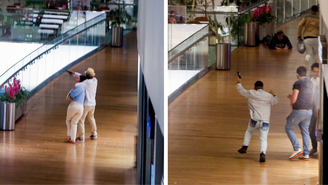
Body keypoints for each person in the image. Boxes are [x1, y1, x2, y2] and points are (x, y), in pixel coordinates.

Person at [236, 78, 279, 162]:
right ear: (263, 88)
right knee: (263, 139)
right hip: (265, 122)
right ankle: (262, 154)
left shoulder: (251, 93)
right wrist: (273, 95)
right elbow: (276, 102)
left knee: (249, 131)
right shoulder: (268, 96)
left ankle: (245, 146)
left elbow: (241, 90)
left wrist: (238, 82)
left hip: (254, 120)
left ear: (254, 87)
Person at [285, 66, 313, 161]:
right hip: (309, 111)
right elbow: (307, 96)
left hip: (299, 111)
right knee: (305, 132)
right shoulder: (310, 82)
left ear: (297, 74)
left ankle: (297, 148)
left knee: (288, 128)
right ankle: (306, 154)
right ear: (306, 74)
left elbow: (294, 99)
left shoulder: (298, 83)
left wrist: (293, 107)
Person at [67, 68, 98, 142]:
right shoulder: (95, 80)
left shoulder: (86, 83)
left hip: (86, 104)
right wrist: (75, 74)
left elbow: (77, 84)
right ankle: (94, 133)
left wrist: (77, 76)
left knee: (81, 120)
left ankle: (81, 137)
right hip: (93, 104)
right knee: (91, 118)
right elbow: (83, 76)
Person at [66, 75, 87, 144]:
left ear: (80, 80)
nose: (76, 78)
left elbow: (72, 95)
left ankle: (69, 135)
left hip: (74, 105)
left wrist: (71, 90)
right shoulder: (84, 88)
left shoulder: (79, 87)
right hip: (81, 107)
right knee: (74, 122)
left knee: (68, 120)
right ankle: (73, 139)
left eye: (78, 78)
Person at [298, 5, 319, 72]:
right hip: (316, 38)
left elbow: (300, 25)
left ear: (311, 10)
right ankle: (312, 69)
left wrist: (299, 35)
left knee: (308, 53)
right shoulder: (318, 18)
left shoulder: (306, 17)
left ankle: (307, 61)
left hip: (307, 38)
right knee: (315, 54)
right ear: (317, 11)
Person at [309, 63, 320, 155]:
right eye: (315, 71)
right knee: (311, 128)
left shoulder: (323, 80)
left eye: (318, 71)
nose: (316, 73)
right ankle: (314, 147)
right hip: (312, 107)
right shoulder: (310, 81)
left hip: (321, 107)